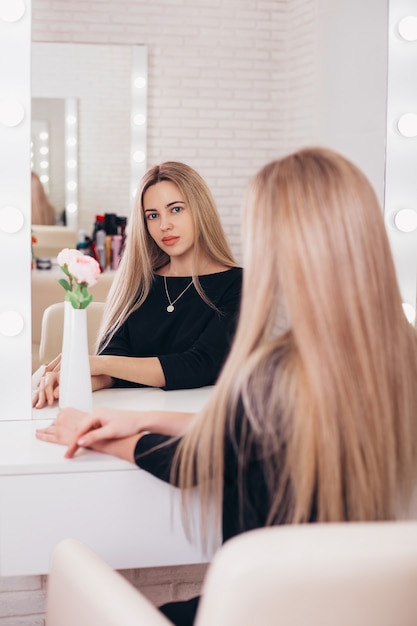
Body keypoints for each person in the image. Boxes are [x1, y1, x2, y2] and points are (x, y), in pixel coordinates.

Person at [36, 147, 417, 625]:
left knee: (69, 568)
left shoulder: (282, 366)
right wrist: (136, 415)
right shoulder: (387, 354)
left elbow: (200, 461)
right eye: (153, 214)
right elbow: (253, 429)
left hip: (262, 608)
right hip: (347, 606)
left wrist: (100, 435)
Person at [33, 162, 242, 408]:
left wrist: (96, 362)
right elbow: (115, 360)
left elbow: (199, 365)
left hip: (197, 423)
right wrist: (72, 378)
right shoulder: (139, 281)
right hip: (127, 417)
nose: (164, 225)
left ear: (201, 210)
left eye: (175, 209)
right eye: (152, 215)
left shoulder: (238, 284)